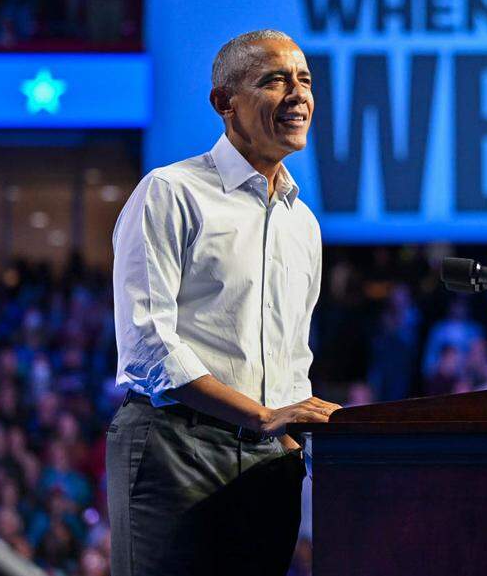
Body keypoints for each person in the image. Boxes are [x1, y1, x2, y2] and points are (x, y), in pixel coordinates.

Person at [106, 29, 341, 576]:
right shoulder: (170, 192)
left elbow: (292, 356)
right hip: (174, 449)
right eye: (274, 80)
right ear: (224, 104)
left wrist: (285, 433)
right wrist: (264, 416)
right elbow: (148, 347)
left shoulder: (302, 222)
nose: (297, 94)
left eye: (304, 80)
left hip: (269, 464)